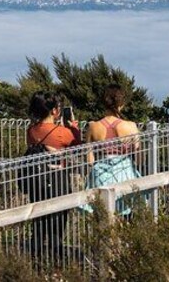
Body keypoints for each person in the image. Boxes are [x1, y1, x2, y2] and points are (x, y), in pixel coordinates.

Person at [24, 91, 81, 260]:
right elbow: (77, 147)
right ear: (55, 111)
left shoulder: (31, 131)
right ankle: (57, 260)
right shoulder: (62, 132)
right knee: (57, 223)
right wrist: (74, 129)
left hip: (37, 180)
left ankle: (36, 261)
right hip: (58, 180)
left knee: (39, 223)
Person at [83, 84, 141, 214]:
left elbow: (89, 159)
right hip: (124, 173)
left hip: (101, 175)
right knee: (125, 216)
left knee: (103, 217)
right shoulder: (131, 126)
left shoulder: (93, 127)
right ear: (121, 104)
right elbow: (139, 158)